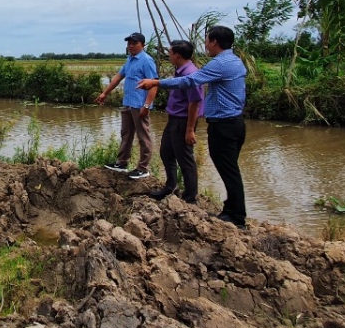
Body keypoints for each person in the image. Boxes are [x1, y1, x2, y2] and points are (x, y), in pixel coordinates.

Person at [137, 25, 247, 227]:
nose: (205, 44)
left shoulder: (220, 63)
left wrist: (156, 82)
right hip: (233, 123)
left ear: (214, 42)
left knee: (228, 170)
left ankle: (236, 217)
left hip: (224, 125)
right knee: (229, 169)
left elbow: (190, 82)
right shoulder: (235, 60)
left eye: (207, 40)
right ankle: (231, 210)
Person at [94, 32, 158, 179]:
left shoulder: (147, 61)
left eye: (134, 43)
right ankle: (122, 163)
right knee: (126, 134)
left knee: (143, 136)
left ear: (142, 45)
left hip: (140, 104)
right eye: (129, 43)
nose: (130, 46)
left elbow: (154, 84)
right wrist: (105, 93)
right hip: (128, 102)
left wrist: (147, 105)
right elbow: (118, 77)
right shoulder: (130, 59)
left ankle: (143, 168)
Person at [150, 40, 204, 204]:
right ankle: (170, 186)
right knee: (166, 152)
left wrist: (189, 129)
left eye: (170, 52)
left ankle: (190, 197)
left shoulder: (190, 74)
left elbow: (194, 103)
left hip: (183, 121)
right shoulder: (180, 71)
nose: (169, 55)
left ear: (177, 55)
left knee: (185, 159)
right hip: (174, 119)